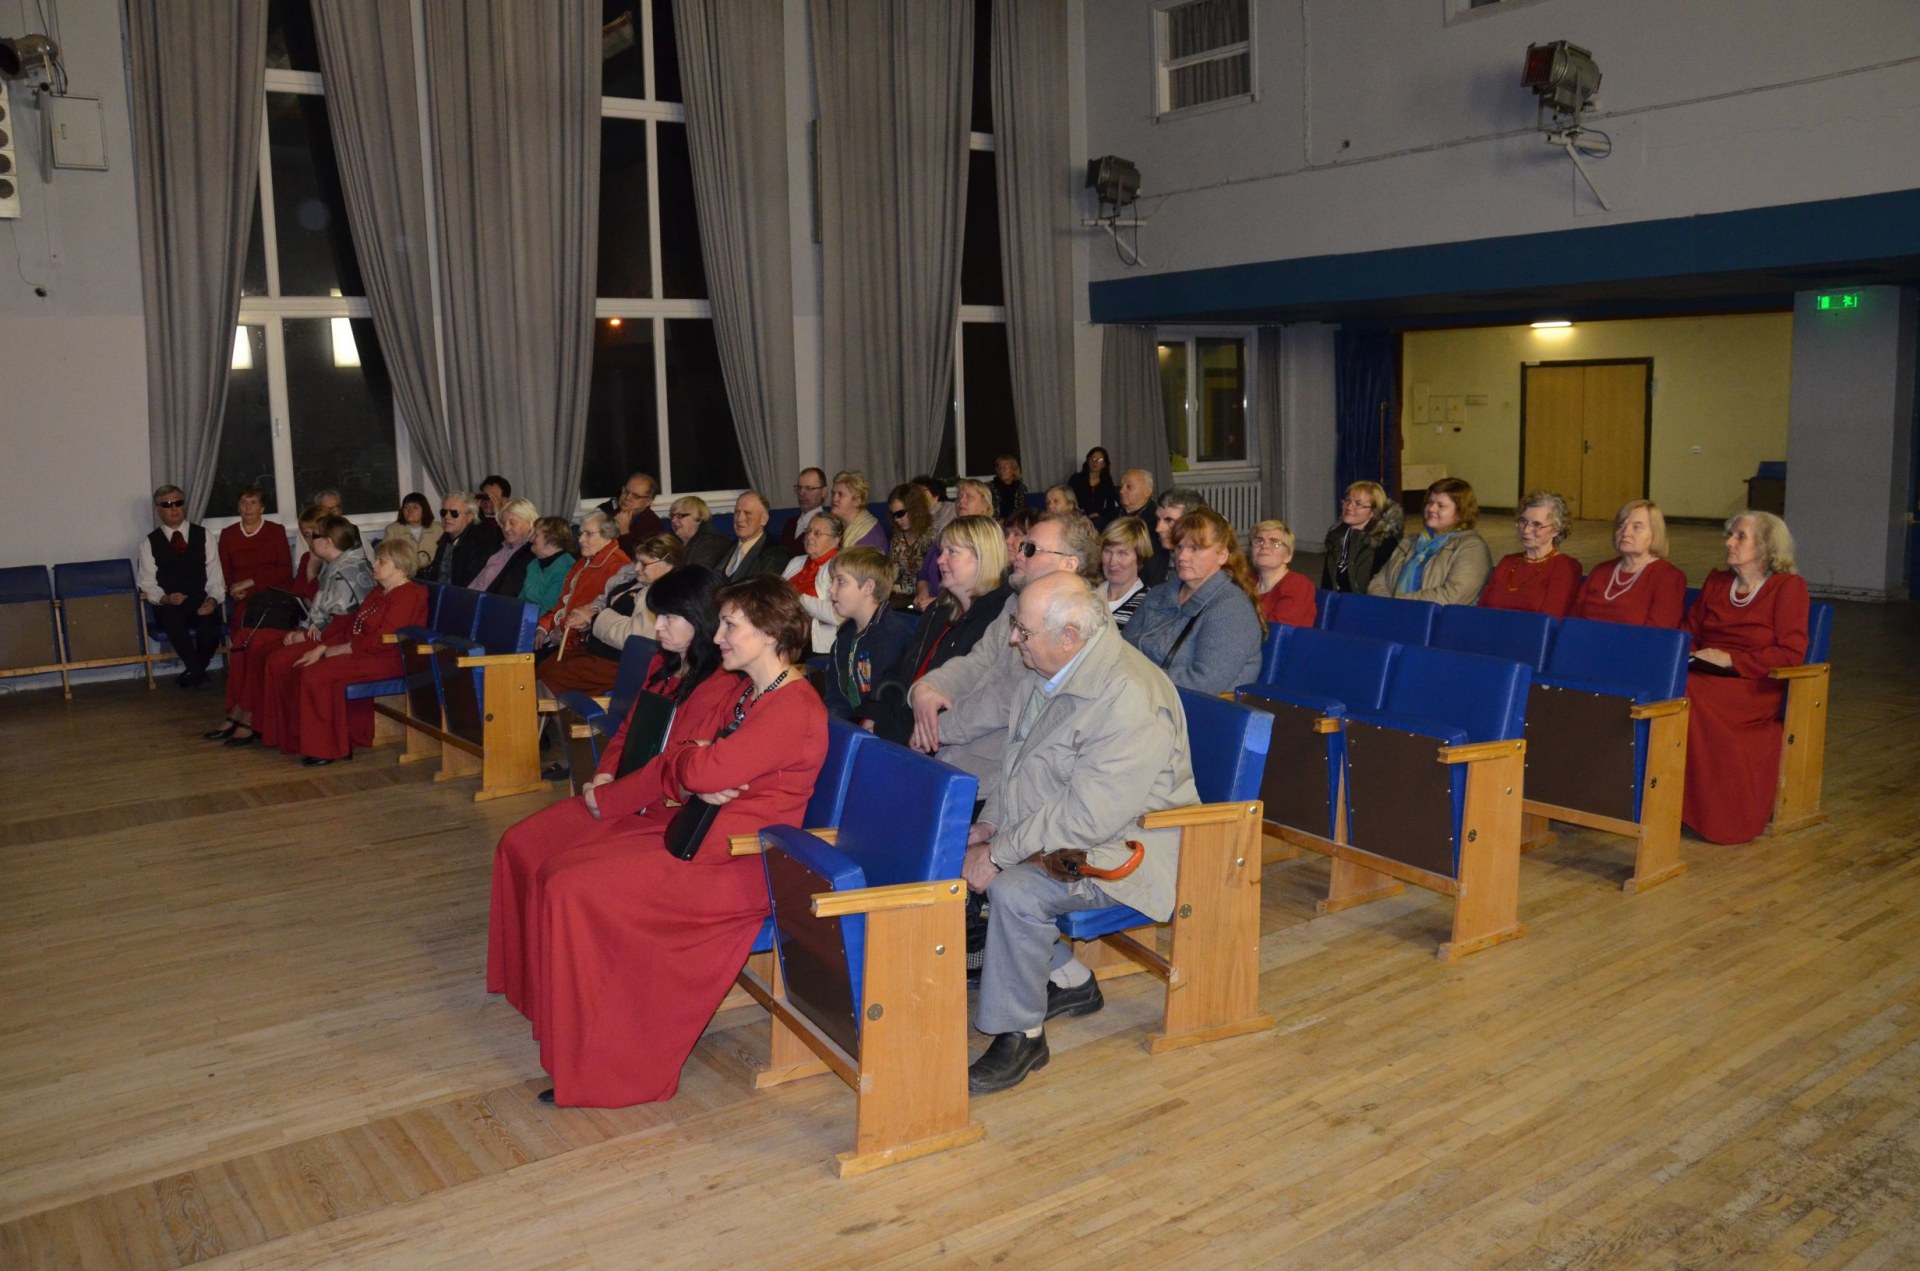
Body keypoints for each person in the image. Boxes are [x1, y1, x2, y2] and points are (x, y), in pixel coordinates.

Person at [485, 575, 827, 1107]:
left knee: (572, 889)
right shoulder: (758, 693)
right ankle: (576, 1040)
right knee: (561, 875)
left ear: (769, 633)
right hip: (703, 842)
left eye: (731, 626)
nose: (718, 637)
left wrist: (694, 759)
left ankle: (610, 1070)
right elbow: (697, 765)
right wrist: (696, 760)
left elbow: (704, 770)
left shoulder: (791, 707)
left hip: (737, 865)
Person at [962, 573, 1199, 1095]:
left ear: (1069, 637)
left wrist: (998, 854)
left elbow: (1089, 816)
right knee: (958, 847)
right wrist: (991, 825)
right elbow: (1017, 767)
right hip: (1068, 834)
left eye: (1024, 631)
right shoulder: (1045, 673)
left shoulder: (1129, 696)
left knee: (1015, 890)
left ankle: (1021, 1035)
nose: (1014, 639)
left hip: (1129, 848)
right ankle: (1069, 978)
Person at [908, 510, 1101, 784]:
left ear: (1069, 564)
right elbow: (978, 661)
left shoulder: (1072, 619)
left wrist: (937, 729)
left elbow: (1009, 697)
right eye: (1022, 546)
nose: (1018, 554)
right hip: (965, 754)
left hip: (1000, 771)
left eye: (1031, 549)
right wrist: (929, 687)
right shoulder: (1015, 601)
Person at [1681, 511, 1810, 845]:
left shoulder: (1787, 588)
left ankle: (1716, 815)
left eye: (1740, 536)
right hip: (1704, 673)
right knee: (1667, 686)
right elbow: (1688, 632)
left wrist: (1733, 660)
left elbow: (1791, 652)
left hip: (1753, 684)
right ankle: (1670, 802)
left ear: (1766, 547)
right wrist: (1690, 655)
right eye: (1729, 535)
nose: (1729, 542)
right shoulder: (1717, 582)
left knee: (1685, 692)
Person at [254, 536, 428, 767]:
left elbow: (385, 640)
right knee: (305, 665)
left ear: (400, 566)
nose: (374, 565)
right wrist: (323, 647)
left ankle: (326, 748)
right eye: (376, 559)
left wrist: (339, 650)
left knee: (317, 675)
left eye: (381, 562)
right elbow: (352, 628)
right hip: (366, 652)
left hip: (389, 658)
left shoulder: (410, 594)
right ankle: (310, 739)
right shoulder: (379, 591)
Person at [214, 517, 373, 746]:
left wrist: (304, 635)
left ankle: (272, 729)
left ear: (328, 542)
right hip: (318, 630)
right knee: (255, 643)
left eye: (313, 536)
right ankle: (246, 714)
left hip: (337, 639)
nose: (309, 540)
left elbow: (342, 625)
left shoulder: (346, 571)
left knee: (277, 659)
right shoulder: (335, 564)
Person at [865, 514, 1012, 746]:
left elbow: (967, 700)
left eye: (952, 552)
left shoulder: (996, 620)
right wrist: (875, 715)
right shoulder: (938, 610)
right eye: (941, 551)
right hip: (902, 726)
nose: (940, 560)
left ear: (982, 557)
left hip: (938, 740)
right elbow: (903, 671)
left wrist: (894, 732)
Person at [1124, 507, 1264, 695]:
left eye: (1195, 548)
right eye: (1179, 547)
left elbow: (1204, 682)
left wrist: (1137, 677)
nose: (1182, 556)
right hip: (1137, 691)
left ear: (1222, 555)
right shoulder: (1158, 594)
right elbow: (1122, 647)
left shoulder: (1232, 610)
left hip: (1189, 705)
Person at [536, 534, 678, 698]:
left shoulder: (663, 594)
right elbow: (602, 602)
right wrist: (586, 616)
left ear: (667, 565)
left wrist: (594, 618)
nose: (637, 568)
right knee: (543, 667)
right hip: (598, 648)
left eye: (644, 564)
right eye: (636, 561)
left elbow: (635, 637)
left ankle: (551, 711)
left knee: (553, 677)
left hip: (620, 662)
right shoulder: (631, 579)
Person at [137, 484, 227, 688]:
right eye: (167, 504)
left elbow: (215, 576)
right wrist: (166, 598)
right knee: (173, 620)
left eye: (178, 503)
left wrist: (212, 601)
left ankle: (194, 673)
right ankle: (197, 674)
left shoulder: (204, 535)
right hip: (169, 605)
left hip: (200, 600)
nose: (174, 508)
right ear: (158, 510)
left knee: (211, 629)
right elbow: (147, 582)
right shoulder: (149, 542)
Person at [823, 547, 915, 726]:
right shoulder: (845, 635)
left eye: (840, 581)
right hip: (849, 724)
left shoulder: (892, 636)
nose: (831, 590)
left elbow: (884, 700)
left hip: (877, 728)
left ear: (868, 587)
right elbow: (836, 695)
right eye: (832, 581)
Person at [1369, 478, 1492, 605]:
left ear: (1461, 512)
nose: (1431, 509)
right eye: (1430, 502)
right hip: (1391, 611)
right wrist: (1386, 605)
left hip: (1435, 616)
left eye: (1441, 505)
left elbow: (1453, 595)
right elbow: (1379, 581)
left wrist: (1400, 604)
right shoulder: (1410, 541)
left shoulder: (1471, 548)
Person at [1570, 499, 1688, 627]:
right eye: (1621, 526)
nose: (1625, 533)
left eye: (1636, 527)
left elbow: (1658, 634)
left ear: (1655, 533)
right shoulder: (1601, 571)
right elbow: (1573, 621)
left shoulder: (1668, 577)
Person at [534, 511, 629, 659]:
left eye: (588, 534)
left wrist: (563, 627)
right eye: (580, 533)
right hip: (560, 634)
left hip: (583, 642)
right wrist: (543, 627)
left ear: (607, 535)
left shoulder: (619, 567)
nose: (581, 539)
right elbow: (562, 604)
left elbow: (597, 615)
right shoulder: (583, 562)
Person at [1481, 491, 1582, 616]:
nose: (1526, 530)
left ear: (1556, 529)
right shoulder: (1508, 562)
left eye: (1537, 524)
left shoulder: (1564, 567)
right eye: (1523, 521)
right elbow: (1482, 609)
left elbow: (1551, 618)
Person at [217, 485, 293, 644]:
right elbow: (224, 571)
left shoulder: (276, 531)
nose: (248, 507)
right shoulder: (228, 534)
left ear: (262, 508)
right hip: (243, 595)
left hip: (274, 591)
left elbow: (285, 570)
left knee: (270, 622)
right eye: (243, 502)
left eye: (253, 502)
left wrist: (250, 582)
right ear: (238, 507)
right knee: (244, 622)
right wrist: (232, 589)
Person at [1321, 480, 1403, 594]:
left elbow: (1380, 588)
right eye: (1347, 500)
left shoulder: (1385, 544)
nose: (1349, 507)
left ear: (1373, 512)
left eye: (1358, 504)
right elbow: (1327, 583)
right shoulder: (1336, 537)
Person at [781, 511, 844, 654]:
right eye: (808, 531)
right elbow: (777, 595)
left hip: (814, 643)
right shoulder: (796, 562)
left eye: (817, 533)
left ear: (835, 540)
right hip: (783, 634)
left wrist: (797, 597)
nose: (809, 537)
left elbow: (836, 614)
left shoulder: (841, 567)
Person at [1250, 519, 1317, 628]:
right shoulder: (1246, 582)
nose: (1264, 546)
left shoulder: (1298, 585)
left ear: (1288, 556)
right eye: (1258, 541)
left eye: (1275, 543)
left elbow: (1276, 631)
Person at [429, 492, 503, 587]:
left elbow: (469, 585)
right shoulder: (445, 539)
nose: (447, 517)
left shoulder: (479, 542)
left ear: (470, 516)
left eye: (454, 513)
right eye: (443, 512)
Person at [718, 490, 791, 582]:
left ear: (763, 519)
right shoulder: (726, 547)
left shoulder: (775, 555)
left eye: (747, 513)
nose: (740, 519)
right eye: (737, 512)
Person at [472, 498, 540, 596]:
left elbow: (507, 592)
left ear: (530, 523)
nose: (506, 529)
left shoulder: (530, 555)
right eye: (503, 524)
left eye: (512, 523)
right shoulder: (496, 546)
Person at [885, 482, 937, 610]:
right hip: (898, 597)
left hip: (922, 599)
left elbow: (931, 580)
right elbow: (893, 574)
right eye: (893, 515)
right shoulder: (897, 539)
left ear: (915, 510)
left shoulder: (932, 538)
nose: (897, 519)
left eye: (900, 513)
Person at [1146, 487, 1206, 589]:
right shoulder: (1152, 552)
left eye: (1169, 520)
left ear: (1194, 523)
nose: (1158, 529)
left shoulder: (1208, 563)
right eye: (1158, 519)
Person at [1100, 516, 1153, 628]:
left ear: (1139, 557)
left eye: (1122, 553)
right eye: (1107, 551)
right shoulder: (1088, 595)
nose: (1112, 562)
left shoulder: (1148, 605)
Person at [518, 517, 578, 615]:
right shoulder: (533, 565)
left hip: (545, 620)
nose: (531, 539)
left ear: (551, 539)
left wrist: (523, 619)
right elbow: (521, 600)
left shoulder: (567, 569)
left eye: (536, 535)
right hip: (527, 616)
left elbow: (549, 609)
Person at [775, 467, 830, 556]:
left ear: (824, 492)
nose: (801, 493)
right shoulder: (791, 523)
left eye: (809, 488)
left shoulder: (827, 527)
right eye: (799, 488)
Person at [668, 495, 732, 570]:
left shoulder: (711, 544)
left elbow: (697, 574)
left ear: (699, 518)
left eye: (679, 516)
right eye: (672, 516)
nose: (673, 520)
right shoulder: (671, 540)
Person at [382, 492, 443, 571]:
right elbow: (385, 556)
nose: (410, 510)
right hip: (405, 573)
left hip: (432, 573)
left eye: (415, 507)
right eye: (406, 507)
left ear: (424, 510)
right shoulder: (393, 530)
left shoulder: (438, 528)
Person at [829, 470, 888, 551]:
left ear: (857, 501)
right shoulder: (839, 525)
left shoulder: (869, 537)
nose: (834, 498)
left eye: (840, 494)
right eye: (833, 493)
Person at [608, 472, 664, 554]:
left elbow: (636, 558)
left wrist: (623, 532)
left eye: (636, 496)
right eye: (626, 491)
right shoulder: (610, 514)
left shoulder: (653, 525)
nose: (627, 498)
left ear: (648, 501)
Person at [1068, 446, 1120, 527]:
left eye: (1100, 460)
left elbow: (1110, 506)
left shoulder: (1107, 482)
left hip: (1098, 518)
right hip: (1078, 517)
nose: (1095, 462)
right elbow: (1068, 500)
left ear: (1104, 464)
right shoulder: (1076, 479)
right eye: (1093, 458)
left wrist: (1100, 514)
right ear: (1088, 460)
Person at [988, 454, 1028, 523]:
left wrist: (1007, 521)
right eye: (1000, 467)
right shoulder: (990, 487)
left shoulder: (1021, 488)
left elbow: (1022, 510)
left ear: (1014, 469)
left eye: (1006, 467)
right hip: (994, 522)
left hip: (1015, 522)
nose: (1002, 470)